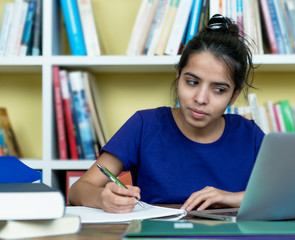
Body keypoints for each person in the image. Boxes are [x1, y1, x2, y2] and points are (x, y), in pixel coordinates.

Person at [68, 14, 265, 214]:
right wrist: (103, 198)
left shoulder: (249, 134)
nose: (201, 98)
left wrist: (231, 198)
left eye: (219, 90)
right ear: (178, 76)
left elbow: (292, 194)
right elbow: (77, 191)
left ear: (233, 96)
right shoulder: (144, 125)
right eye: (192, 82)